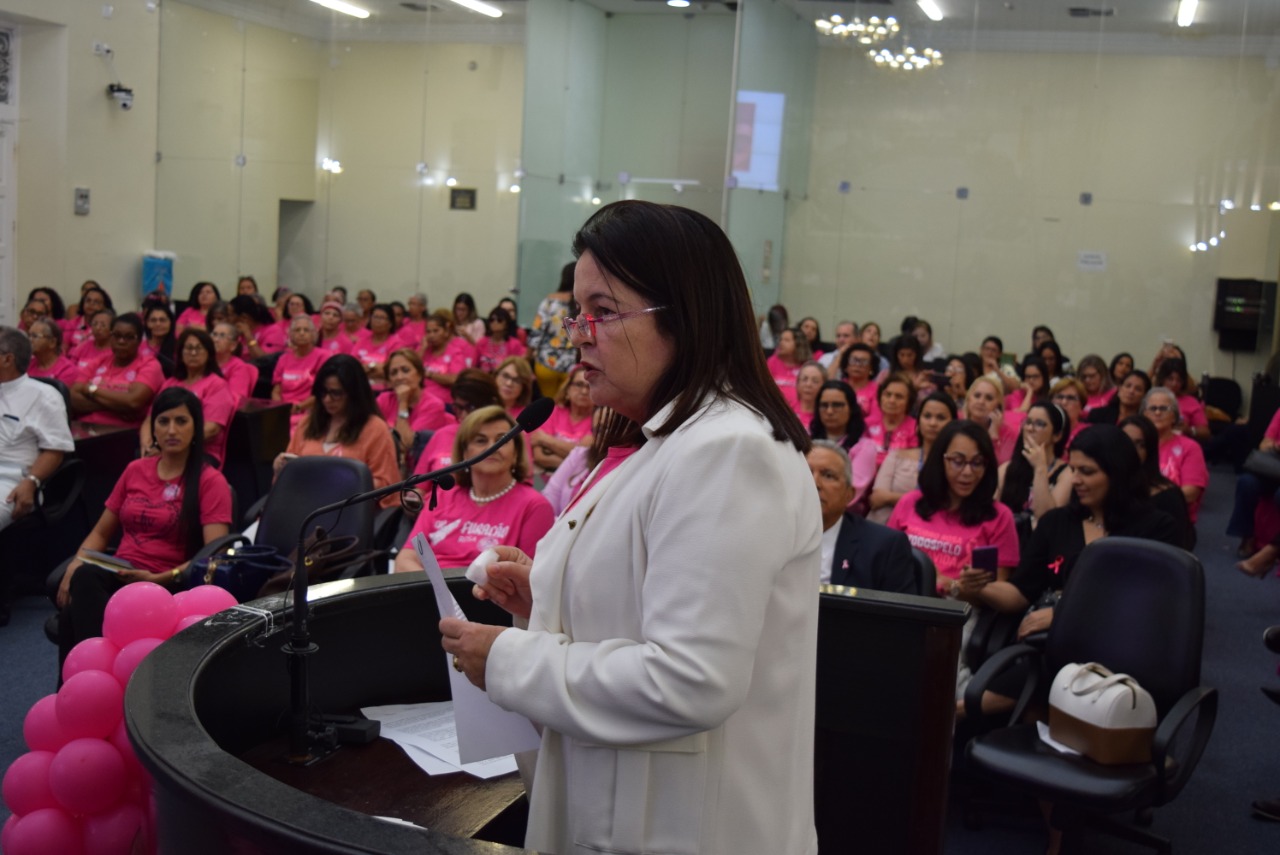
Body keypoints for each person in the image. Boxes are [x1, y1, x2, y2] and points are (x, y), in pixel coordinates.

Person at [441, 201, 820, 855]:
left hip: (685, 828)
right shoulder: (658, 441)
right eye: (575, 312)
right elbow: (652, 602)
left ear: (684, 316)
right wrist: (549, 600)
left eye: (604, 312)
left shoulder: (726, 449)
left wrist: (508, 657)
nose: (579, 336)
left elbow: (689, 678)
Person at [54, 388, 232, 662]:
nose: (171, 430)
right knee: (84, 576)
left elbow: (212, 555)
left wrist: (161, 577)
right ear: (153, 428)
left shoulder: (210, 481)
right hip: (120, 573)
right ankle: (92, 676)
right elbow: (101, 532)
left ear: (196, 426)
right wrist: (76, 563)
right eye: (163, 421)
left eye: (181, 421)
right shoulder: (135, 469)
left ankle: (99, 671)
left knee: (73, 613)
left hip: (165, 582)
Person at [393, 406, 553, 571]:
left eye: (502, 440)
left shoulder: (535, 506)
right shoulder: (443, 496)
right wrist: (438, 590)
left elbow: (529, 580)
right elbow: (406, 558)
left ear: (516, 453)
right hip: (430, 592)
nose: (493, 447)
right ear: (464, 453)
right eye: (481, 440)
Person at [887, 420, 1019, 598]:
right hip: (902, 598)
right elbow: (885, 559)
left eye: (977, 462)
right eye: (958, 461)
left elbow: (1000, 591)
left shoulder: (1000, 516)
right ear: (940, 460)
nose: (967, 472)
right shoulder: (910, 502)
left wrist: (956, 586)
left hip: (958, 612)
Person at [274, 354, 400, 509]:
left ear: (354, 393)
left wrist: (336, 481)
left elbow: (385, 488)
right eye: (323, 392)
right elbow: (289, 474)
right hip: (301, 506)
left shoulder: (375, 429)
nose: (327, 399)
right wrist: (281, 469)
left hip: (346, 515)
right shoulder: (308, 422)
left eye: (336, 393)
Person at [808, 440, 915, 594]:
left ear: (849, 495)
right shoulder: (771, 535)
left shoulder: (884, 546)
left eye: (828, 475)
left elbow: (902, 615)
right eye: (806, 472)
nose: (814, 483)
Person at [0, 327, 75, 533]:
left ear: (7, 360)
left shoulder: (44, 396)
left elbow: (55, 450)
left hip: (12, 480)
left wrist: (31, 482)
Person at [142, 328, 236, 467]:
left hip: (200, 452)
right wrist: (147, 445)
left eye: (198, 348)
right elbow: (150, 418)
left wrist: (167, 446)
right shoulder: (170, 383)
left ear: (209, 353)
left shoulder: (217, 385)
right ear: (180, 353)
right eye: (188, 348)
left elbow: (211, 429)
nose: (193, 353)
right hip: (166, 448)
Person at [868, 392, 956, 525]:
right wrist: (924, 498)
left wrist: (891, 498)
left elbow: (946, 502)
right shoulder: (897, 456)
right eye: (927, 416)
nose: (933, 423)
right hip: (884, 526)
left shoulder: (955, 463)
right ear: (918, 422)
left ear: (953, 423)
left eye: (941, 418)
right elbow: (877, 499)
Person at [69, 313, 164, 427]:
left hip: (123, 434)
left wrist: (90, 390)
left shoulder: (149, 365)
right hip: (86, 427)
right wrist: (118, 407)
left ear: (139, 341)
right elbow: (73, 397)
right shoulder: (99, 361)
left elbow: (133, 402)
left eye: (129, 337)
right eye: (116, 335)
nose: (121, 341)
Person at [1119, 415, 1193, 549]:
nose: (1131, 449)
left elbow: (1179, 550)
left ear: (1149, 451)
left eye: (1140, 444)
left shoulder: (1168, 496)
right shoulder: (1102, 486)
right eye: (1125, 442)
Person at [412, 369, 503, 475]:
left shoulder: (507, 438)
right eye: (459, 408)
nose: (464, 416)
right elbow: (419, 488)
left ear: (491, 404)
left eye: (471, 408)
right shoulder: (442, 435)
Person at [996, 402, 1071, 525]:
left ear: (1057, 436)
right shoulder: (1006, 469)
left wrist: (1040, 468)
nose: (1030, 428)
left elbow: (1047, 518)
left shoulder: (1066, 473)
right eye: (1028, 422)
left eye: (1039, 424)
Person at [1144, 385, 1208, 523]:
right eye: (1152, 408)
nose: (1157, 413)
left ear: (1174, 416)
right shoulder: (1135, 445)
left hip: (1172, 520)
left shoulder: (1190, 447)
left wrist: (1144, 500)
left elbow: (1190, 493)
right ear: (1144, 414)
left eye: (1164, 408)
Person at [810, 380, 877, 511]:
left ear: (851, 409)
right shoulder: (804, 438)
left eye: (837, 405)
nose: (829, 411)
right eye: (824, 405)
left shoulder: (865, 447)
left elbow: (850, 493)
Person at [378, 348, 451, 465]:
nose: (399, 377)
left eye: (405, 370)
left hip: (416, 471)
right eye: (394, 373)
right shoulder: (384, 399)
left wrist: (403, 403)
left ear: (420, 375)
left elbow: (405, 445)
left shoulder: (433, 405)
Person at [531, 364, 595, 472]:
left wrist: (546, 440)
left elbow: (584, 456)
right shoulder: (554, 411)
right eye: (579, 384)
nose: (584, 391)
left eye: (589, 386)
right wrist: (574, 462)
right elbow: (539, 455)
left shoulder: (597, 420)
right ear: (568, 389)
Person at [527, 264, 578, 397]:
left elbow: (536, 333)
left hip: (546, 363)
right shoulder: (582, 303)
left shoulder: (549, 301)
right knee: (564, 408)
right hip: (572, 365)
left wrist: (527, 358)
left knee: (548, 407)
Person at [272, 315, 330, 429]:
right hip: (285, 411)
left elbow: (322, 392)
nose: (302, 333)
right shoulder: (283, 359)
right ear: (291, 335)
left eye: (306, 330)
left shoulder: (323, 356)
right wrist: (280, 409)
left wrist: (299, 407)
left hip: (310, 411)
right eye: (297, 330)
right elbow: (276, 391)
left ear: (314, 334)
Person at [865, 373, 918, 467]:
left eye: (899, 397)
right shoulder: (866, 424)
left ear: (909, 402)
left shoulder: (915, 428)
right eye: (887, 395)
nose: (892, 400)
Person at [963, 376, 1018, 463]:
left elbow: (999, 468)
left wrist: (994, 436)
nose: (981, 401)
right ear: (968, 399)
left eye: (989, 398)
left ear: (998, 406)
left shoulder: (1009, 433)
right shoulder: (956, 426)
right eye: (977, 396)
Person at [1154, 357, 1209, 440]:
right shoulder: (1151, 398)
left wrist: (1189, 430)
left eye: (1179, 380)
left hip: (1181, 446)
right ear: (1162, 379)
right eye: (1170, 379)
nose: (1174, 384)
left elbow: (1205, 432)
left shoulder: (1190, 402)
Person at [350, 303, 400, 388]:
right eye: (375, 317)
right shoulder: (362, 341)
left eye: (382, 318)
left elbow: (391, 370)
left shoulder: (396, 344)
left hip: (384, 389)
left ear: (390, 323)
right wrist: (377, 367)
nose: (377, 321)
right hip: (360, 388)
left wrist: (367, 367)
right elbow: (352, 366)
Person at [210, 321, 260, 401]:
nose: (215, 339)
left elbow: (236, 398)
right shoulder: (204, 362)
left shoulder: (239, 368)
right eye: (214, 334)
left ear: (233, 346)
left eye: (222, 336)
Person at [1086, 368, 1151, 426]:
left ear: (1144, 395)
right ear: (1119, 389)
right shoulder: (1098, 415)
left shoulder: (1145, 423)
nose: (1131, 391)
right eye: (1128, 386)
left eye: (1138, 389)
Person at [229, 294, 285, 359]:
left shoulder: (273, 330)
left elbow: (264, 360)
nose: (228, 319)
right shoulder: (237, 334)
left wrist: (248, 336)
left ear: (244, 317)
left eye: (230, 315)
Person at [473, 306, 527, 374]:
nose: (495, 322)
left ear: (506, 324)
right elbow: (473, 367)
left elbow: (521, 365)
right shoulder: (482, 342)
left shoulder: (514, 344)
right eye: (492, 320)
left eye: (499, 320)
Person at [25, 320, 79, 385]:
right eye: (29, 335)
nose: (29, 340)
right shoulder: (27, 365)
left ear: (52, 342)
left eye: (35, 336)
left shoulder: (66, 369)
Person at [63, 287, 112, 351]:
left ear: (104, 307)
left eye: (96, 302)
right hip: (70, 359)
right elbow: (63, 348)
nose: (91, 304)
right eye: (88, 301)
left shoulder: (107, 325)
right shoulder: (73, 323)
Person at [838, 342, 881, 417]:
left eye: (864, 361)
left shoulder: (877, 390)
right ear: (846, 365)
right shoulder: (837, 387)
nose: (857, 365)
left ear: (871, 368)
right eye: (853, 360)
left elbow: (875, 418)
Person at [68, 308, 114, 376]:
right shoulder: (84, 346)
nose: (98, 328)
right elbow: (71, 368)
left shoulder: (114, 352)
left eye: (103, 325)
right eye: (95, 324)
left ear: (112, 329)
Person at [1049, 376, 1089, 444]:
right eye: (1059, 397)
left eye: (1071, 398)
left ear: (1081, 407)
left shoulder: (1089, 433)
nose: (1064, 402)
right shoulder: (1044, 431)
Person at [142, 303, 178, 378]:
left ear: (171, 323)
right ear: (147, 323)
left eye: (162, 320)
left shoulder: (179, 346)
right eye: (153, 320)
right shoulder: (139, 346)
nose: (158, 324)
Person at [494, 355, 535, 420]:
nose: (509, 383)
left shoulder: (526, 417)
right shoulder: (480, 403)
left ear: (524, 387)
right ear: (496, 375)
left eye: (517, 380)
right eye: (505, 376)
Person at [791, 361, 825, 428]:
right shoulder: (787, 409)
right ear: (798, 383)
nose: (808, 384)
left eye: (815, 381)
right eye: (804, 379)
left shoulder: (826, 415)